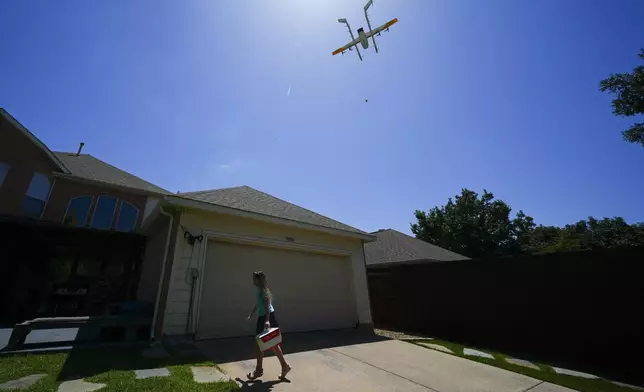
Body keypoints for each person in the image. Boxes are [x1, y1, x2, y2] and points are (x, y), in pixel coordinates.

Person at [245, 271, 291, 380]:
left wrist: (267, 320)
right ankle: (285, 366)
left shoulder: (263, 290)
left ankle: (258, 370)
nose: (253, 281)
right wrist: (251, 314)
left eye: (254, 279)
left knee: (259, 343)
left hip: (267, 317)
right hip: (265, 317)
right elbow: (258, 303)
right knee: (272, 344)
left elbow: (267, 304)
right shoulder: (260, 290)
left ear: (258, 279)